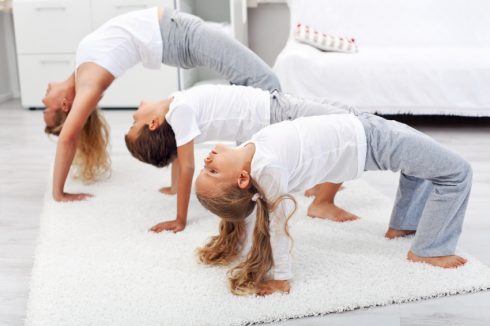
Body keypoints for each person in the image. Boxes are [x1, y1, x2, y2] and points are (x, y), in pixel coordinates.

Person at [194, 113, 472, 296]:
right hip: (374, 140)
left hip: (365, 128)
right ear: (243, 179)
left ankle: (403, 226)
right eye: (213, 172)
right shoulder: (268, 169)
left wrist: (236, 227)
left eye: (205, 170)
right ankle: (429, 250)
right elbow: (276, 225)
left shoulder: (252, 155)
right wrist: (281, 277)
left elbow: (252, 208)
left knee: (422, 165)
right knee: (457, 172)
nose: (206, 162)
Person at [42, 6, 280, 202]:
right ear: (65, 105)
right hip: (182, 35)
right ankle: (249, 174)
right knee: (265, 81)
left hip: (178, 33)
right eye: (46, 108)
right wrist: (58, 193)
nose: (43, 99)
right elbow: (68, 137)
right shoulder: (89, 83)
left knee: (248, 89)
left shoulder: (82, 69)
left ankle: (247, 173)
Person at [125, 84, 356, 233]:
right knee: (346, 120)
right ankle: (322, 203)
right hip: (270, 112)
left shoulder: (174, 104)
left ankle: (317, 188)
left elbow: (175, 147)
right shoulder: (179, 111)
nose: (133, 117)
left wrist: (174, 187)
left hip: (269, 108)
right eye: (134, 124)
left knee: (333, 130)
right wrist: (179, 219)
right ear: (152, 123)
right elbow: (186, 165)